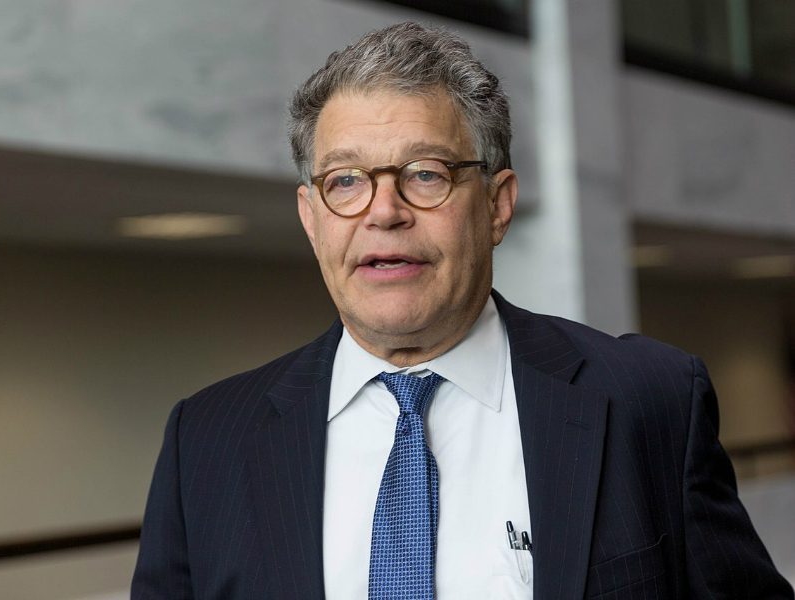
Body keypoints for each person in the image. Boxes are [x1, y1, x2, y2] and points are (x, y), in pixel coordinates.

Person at [131, 22, 793, 600]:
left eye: (425, 173)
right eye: (346, 182)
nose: (383, 212)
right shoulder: (206, 441)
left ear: (497, 204)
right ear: (312, 218)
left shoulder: (647, 401)